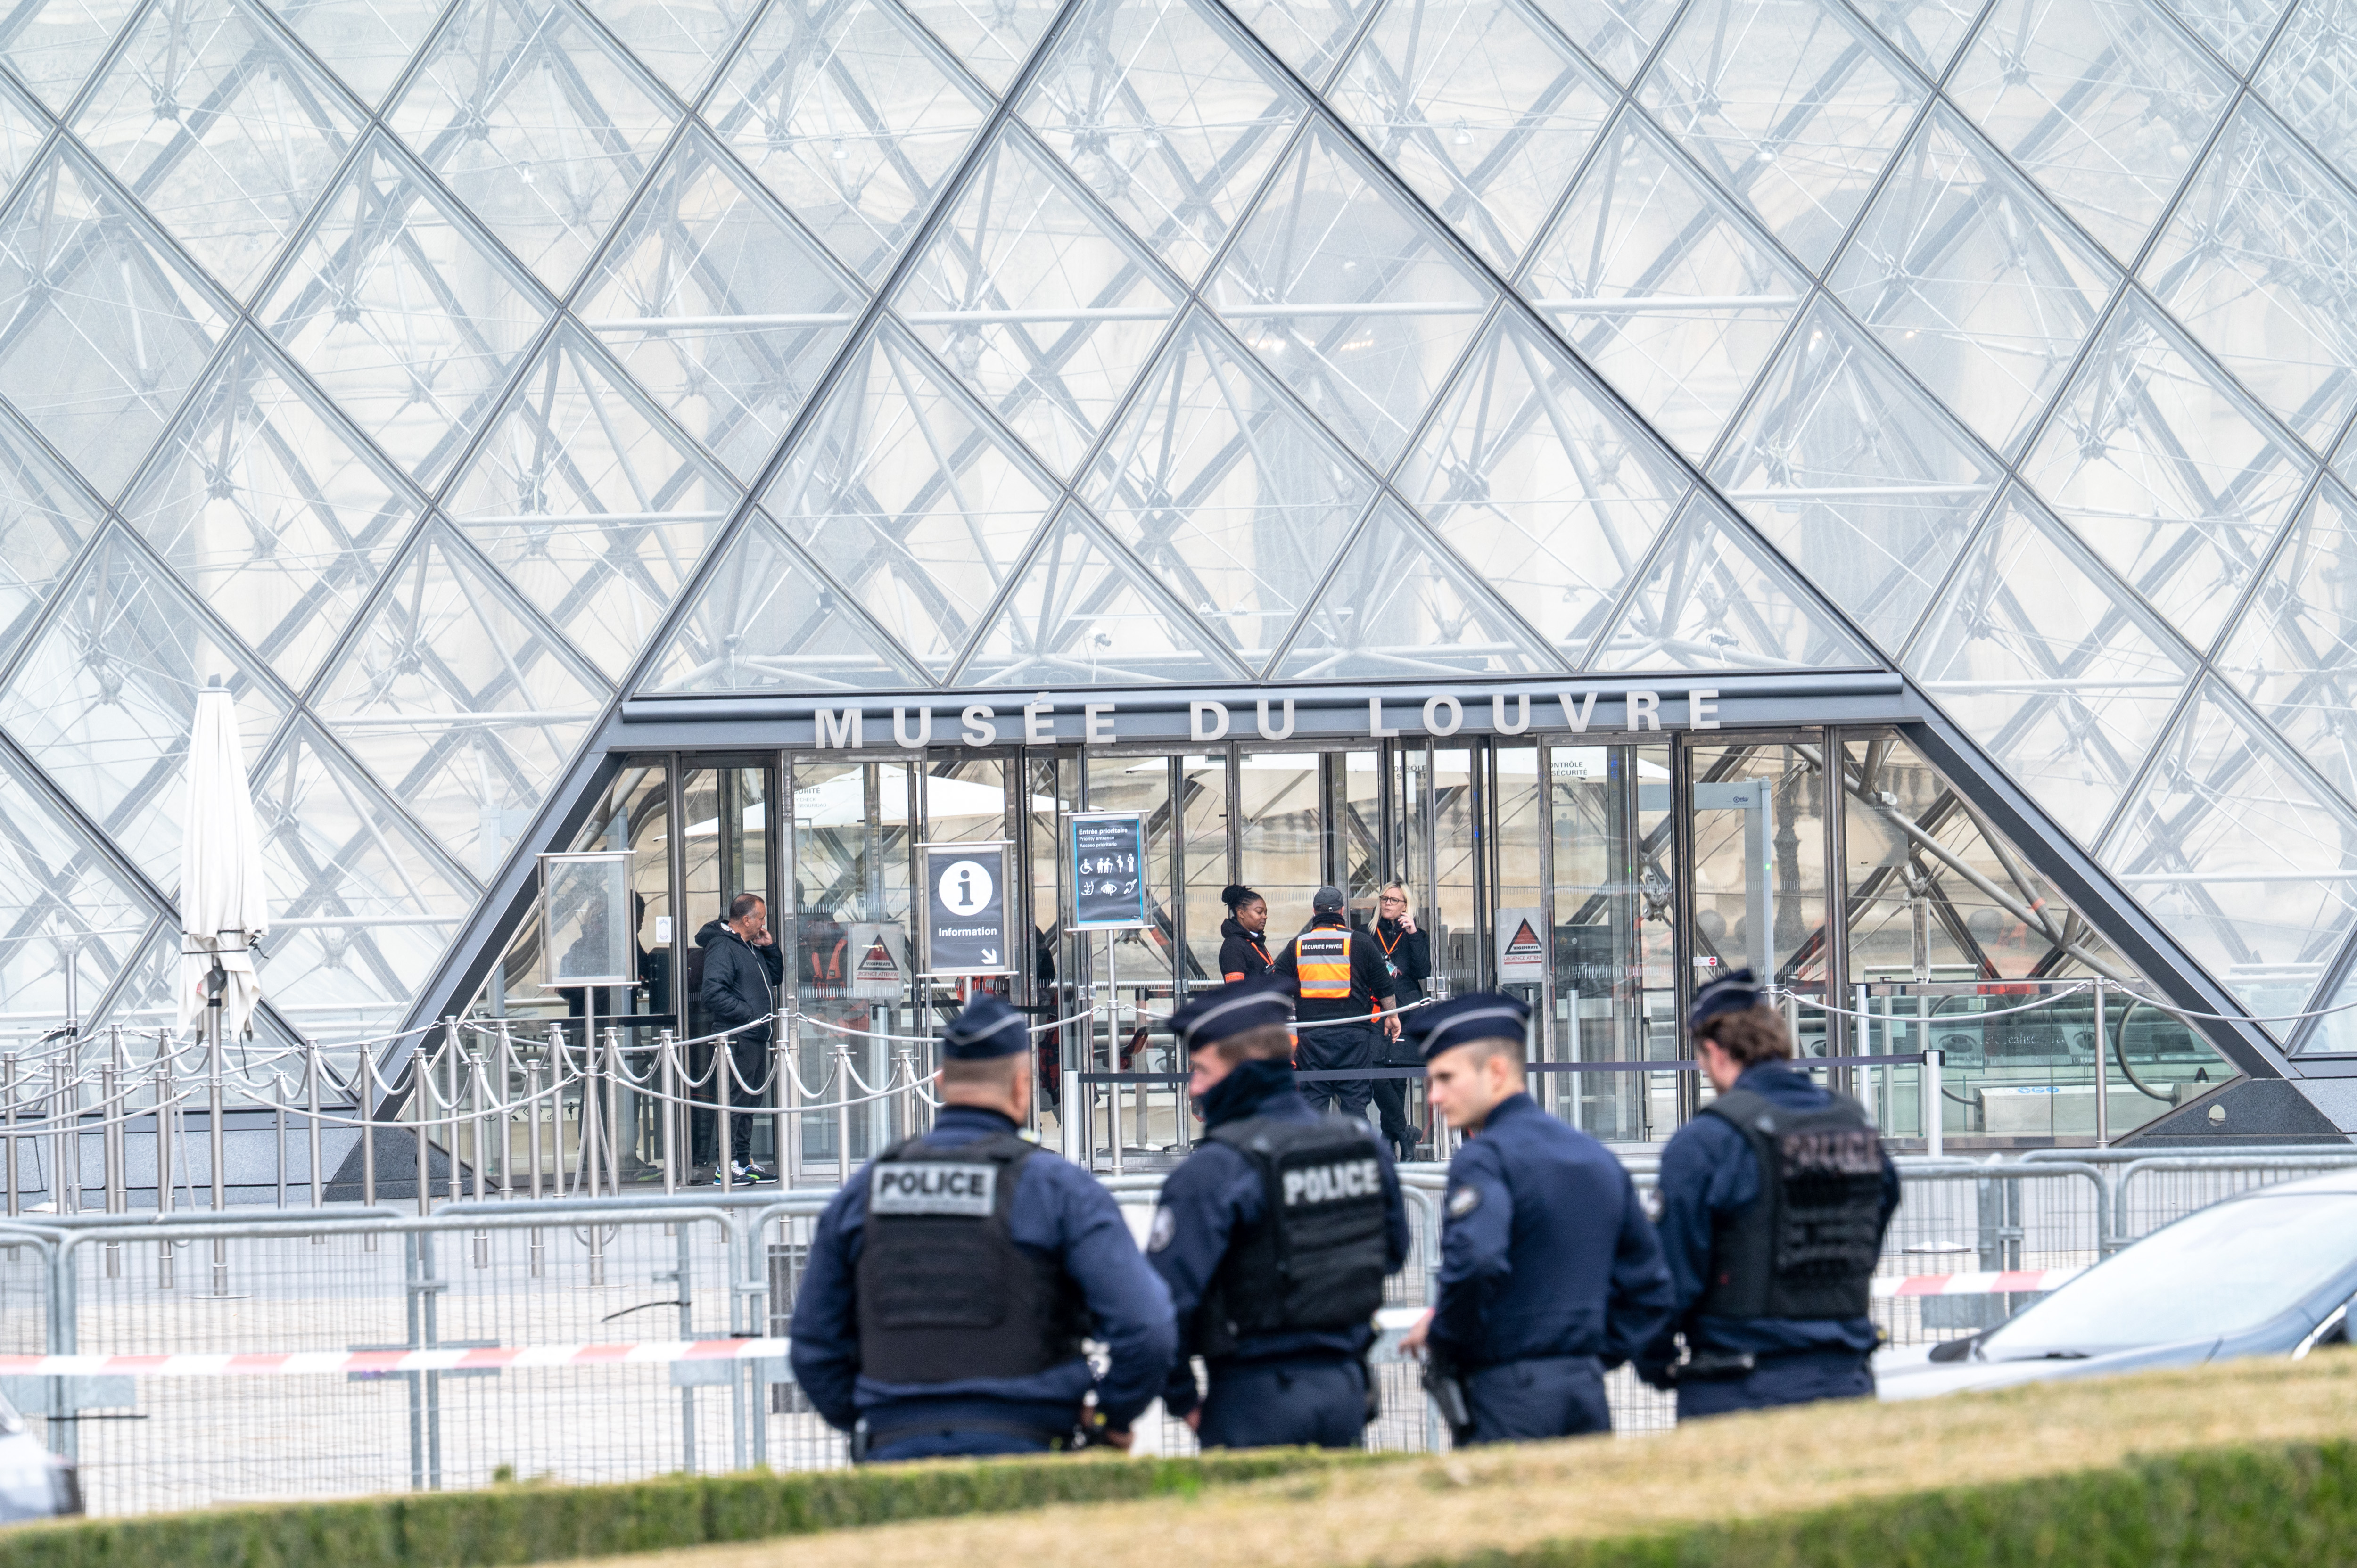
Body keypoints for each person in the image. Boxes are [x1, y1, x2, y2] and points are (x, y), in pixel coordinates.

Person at [787, 993, 1176, 1462]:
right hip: (1031, 1450)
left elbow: (813, 1345)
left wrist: (877, 1424)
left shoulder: (864, 1192)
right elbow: (1147, 1328)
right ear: (1021, 1087)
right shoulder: (1058, 1190)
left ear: (939, 1082)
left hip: (897, 1453)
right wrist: (1109, 1421)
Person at [1145, 981, 1409, 1449]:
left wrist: (1183, 1400)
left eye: (1202, 1071)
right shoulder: (1361, 1145)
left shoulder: (1215, 1171)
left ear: (1240, 1071)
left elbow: (1162, 1308)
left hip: (1252, 1397)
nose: (1194, 1088)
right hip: (1345, 1393)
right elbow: (1391, 1254)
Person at [1401, 993, 1675, 1443]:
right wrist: (1587, 1356)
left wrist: (1445, 1335)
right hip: (1584, 1392)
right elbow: (1651, 1288)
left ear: (1496, 1072)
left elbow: (1478, 1261)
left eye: (1446, 1078)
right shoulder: (1594, 1157)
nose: (1434, 1096)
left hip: (1507, 1394)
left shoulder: (1485, 1158)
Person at [1636, 969, 1899, 1420]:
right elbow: (1872, 1224)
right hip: (1847, 1383)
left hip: (1739, 1388)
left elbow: (1671, 1278)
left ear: (1716, 1053)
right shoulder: (1855, 1125)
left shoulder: (1708, 1141)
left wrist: (1653, 1358)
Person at [1271, 886, 1396, 1119]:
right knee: (1355, 1106)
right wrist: (1393, 1016)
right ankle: (1358, 1155)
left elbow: (1278, 989)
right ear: (1342, 910)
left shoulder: (1297, 945)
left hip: (1312, 1040)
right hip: (1354, 1039)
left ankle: (1317, 1155)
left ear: (1314, 912)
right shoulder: (1360, 942)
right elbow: (1384, 986)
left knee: (1314, 1106)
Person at [694, 892, 783, 1184]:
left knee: (748, 1103)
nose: (763, 923)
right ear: (746, 919)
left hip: (756, 1035)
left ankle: (743, 1161)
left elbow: (776, 978)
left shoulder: (750, 945)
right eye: (761, 918)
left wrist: (769, 949)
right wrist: (748, 1015)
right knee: (733, 1103)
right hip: (738, 1036)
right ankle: (726, 1164)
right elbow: (713, 992)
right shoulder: (723, 946)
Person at [1370, 884, 1431, 1163]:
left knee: (1398, 1077)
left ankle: (1391, 1141)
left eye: (1394, 900)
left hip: (1405, 1011)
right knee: (1376, 1073)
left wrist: (1414, 933)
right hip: (1374, 1011)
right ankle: (1404, 1133)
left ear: (1406, 905)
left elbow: (1422, 971)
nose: (1387, 903)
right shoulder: (1366, 934)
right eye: (1384, 898)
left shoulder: (1414, 936)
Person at [1216, 885, 1273, 983]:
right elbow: (1235, 990)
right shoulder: (1233, 947)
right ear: (1241, 914)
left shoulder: (1254, 941)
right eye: (1259, 912)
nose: (1265, 917)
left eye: (1266, 913)